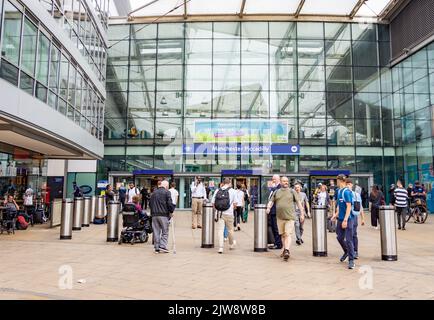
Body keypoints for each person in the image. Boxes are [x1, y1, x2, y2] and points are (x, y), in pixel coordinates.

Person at [266, 177, 304, 261]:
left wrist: (302, 214)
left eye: (287, 181)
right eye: (284, 181)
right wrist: (268, 207)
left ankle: (287, 250)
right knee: (283, 235)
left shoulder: (292, 191)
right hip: (280, 217)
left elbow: (298, 203)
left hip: (290, 217)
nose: (286, 182)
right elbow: (271, 201)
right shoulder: (277, 192)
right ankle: (284, 249)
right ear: (281, 182)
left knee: (288, 234)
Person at [331, 175, 356, 270]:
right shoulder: (339, 191)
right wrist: (335, 215)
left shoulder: (347, 192)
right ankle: (346, 251)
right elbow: (340, 206)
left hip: (348, 219)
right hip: (340, 218)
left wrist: (345, 220)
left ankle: (351, 260)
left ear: (340, 181)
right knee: (340, 237)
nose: (336, 182)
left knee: (349, 239)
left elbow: (349, 207)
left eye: (337, 180)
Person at [212, 178, 237, 254]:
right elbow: (235, 204)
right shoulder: (233, 191)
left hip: (220, 213)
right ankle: (231, 244)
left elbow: (213, 203)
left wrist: (217, 210)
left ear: (223, 183)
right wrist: (232, 208)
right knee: (230, 230)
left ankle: (221, 247)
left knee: (220, 230)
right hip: (229, 214)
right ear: (229, 183)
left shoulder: (217, 190)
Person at [149, 180, 174, 253]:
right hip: (163, 214)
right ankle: (162, 246)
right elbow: (169, 203)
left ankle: (157, 247)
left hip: (154, 215)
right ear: (166, 186)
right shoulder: (167, 192)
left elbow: (150, 204)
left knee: (156, 231)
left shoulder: (154, 193)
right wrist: (171, 211)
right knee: (165, 231)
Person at [346, 179, 365, 260]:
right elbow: (360, 207)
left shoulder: (352, 194)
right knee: (353, 235)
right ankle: (354, 251)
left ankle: (353, 251)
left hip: (352, 216)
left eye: (349, 184)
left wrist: (363, 218)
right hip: (354, 216)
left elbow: (360, 207)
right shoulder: (356, 194)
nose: (348, 186)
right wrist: (362, 219)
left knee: (351, 235)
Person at [267, 175, 282, 250]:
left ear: (278, 179)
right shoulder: (274, 188)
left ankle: (278, 244)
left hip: (276, 211)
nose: (273, 180)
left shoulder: (279, 187)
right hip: (272, 211)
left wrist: (273, 188)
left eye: (274, 179)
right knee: (273, 227)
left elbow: (276, 197)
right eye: (272, 179)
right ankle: (276, 243)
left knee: (276, 228)